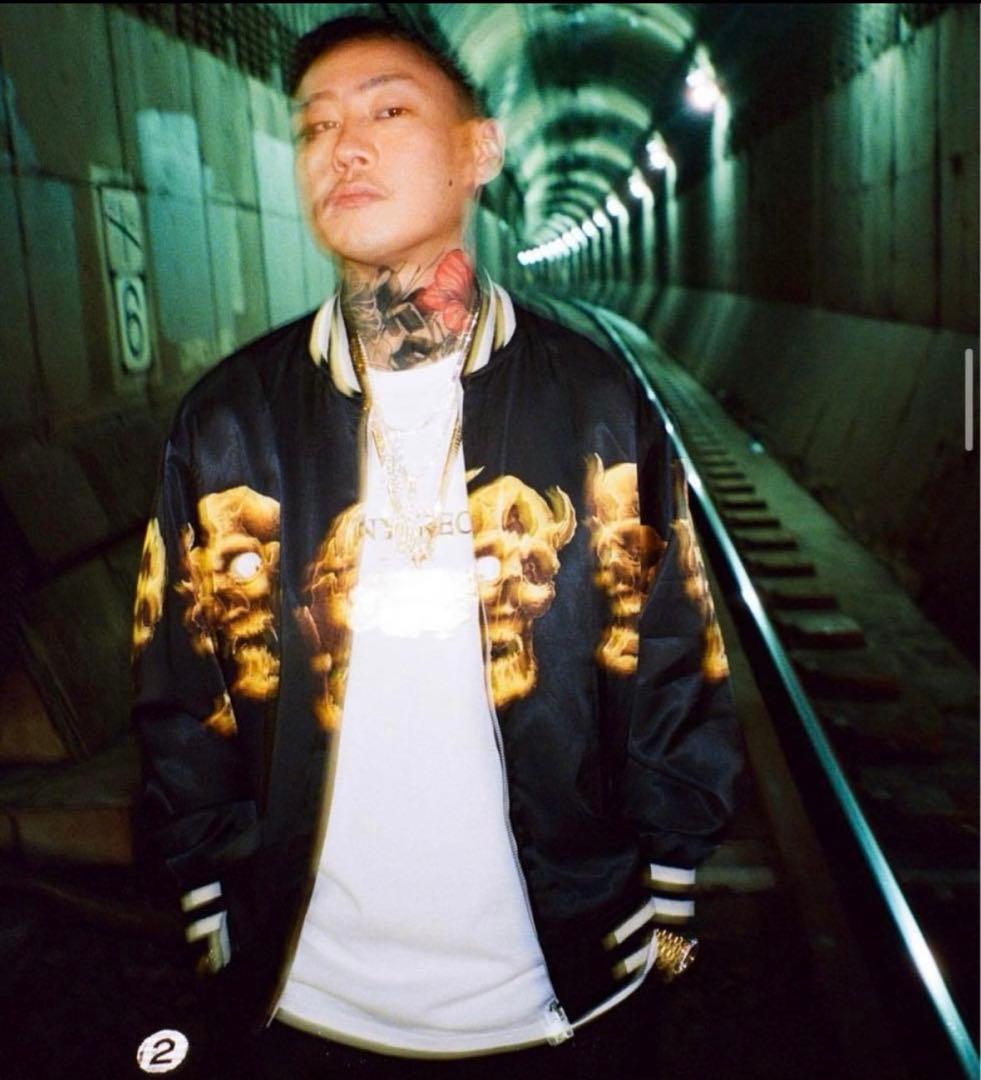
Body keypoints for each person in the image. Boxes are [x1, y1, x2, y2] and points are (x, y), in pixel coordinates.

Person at [129, 14, 743, 1079]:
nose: (344, 146)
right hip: (303, 999)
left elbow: (669, 643)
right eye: (316, 124)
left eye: (388, 109)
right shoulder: (229, 422)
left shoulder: (594, 403)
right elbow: (182, 678)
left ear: (478, 151)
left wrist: (671, 877)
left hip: (557, 995)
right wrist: (204, 885)